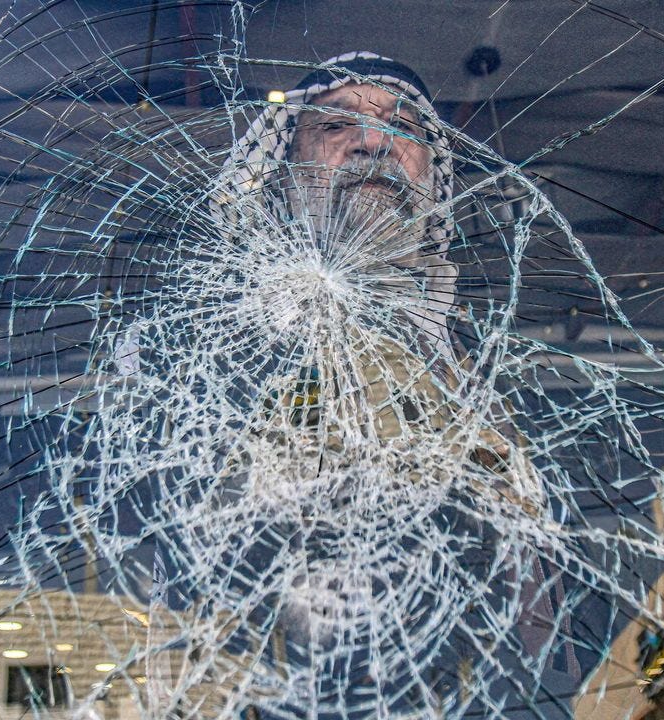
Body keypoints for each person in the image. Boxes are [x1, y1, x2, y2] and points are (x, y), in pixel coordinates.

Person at [140, 52, 586, 719]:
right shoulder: (203, 368)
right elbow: (176, 592)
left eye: (403, 126)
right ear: (283, 178)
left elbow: (541, 629)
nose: (376, 141)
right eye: (335, 126)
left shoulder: (488, 379)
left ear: (432, 179)